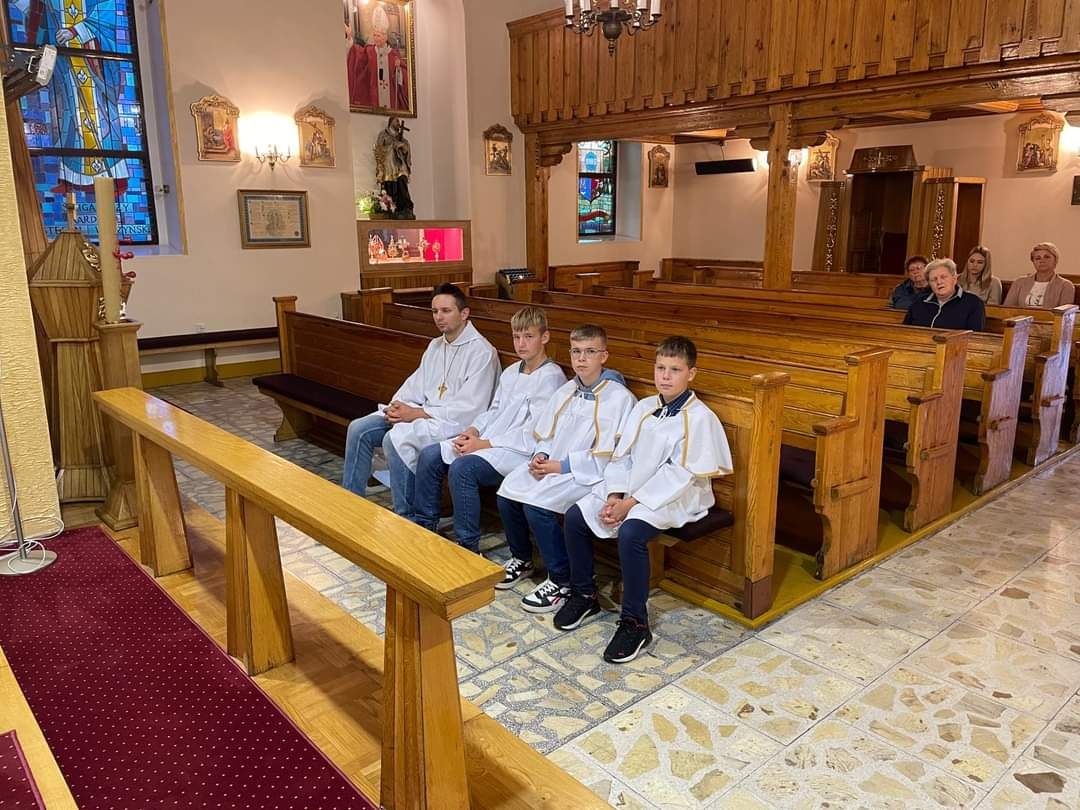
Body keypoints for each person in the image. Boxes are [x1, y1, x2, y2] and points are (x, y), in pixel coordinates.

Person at [554, 337, 733, 664]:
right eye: (660, 368)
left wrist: (630, 503)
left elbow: (678, 474)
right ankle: (584, 593)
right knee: (577, 516)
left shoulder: (699, 417)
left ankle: (635, 622)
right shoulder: (645, 407)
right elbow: (622, 456)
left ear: (691, 373)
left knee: (632, 533)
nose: (665, 376)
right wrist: (614, 494)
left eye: (675, 370)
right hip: (631, 488)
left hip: (678, 495)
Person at [495, 325, 636, 614]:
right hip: (554, 466)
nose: (581, 359)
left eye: (590, 352)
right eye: (576, 352)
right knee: (507, 489)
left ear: (604, 356)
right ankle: (522, 559)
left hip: (590, 474)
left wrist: (560, 466)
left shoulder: (618, 397)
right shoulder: (566, 390)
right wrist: (541, 455)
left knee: (537, 505)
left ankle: (561, 581)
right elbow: (547, 433)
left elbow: (608, 455)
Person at [410, 307, 566, 554]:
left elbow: (535, 431)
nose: (521, 344)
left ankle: (467, 546)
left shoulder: (551, 377)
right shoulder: (511, 371)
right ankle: (425, 526)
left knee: (463, 469)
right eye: (516, 337)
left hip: (519, 450)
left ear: (544, 337)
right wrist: (473, 431)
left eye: (528, 336)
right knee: (430, 455)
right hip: (488, 440)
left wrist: (483, 444)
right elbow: (494, 410)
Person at [341, 283, 499, 518]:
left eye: (446, 311)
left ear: (464, 313)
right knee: (358, 429)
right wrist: (398, 407)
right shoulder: (436, 345)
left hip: (452, 424)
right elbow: (415, 384)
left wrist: (415, 414)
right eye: (435, 311)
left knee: (395, 439)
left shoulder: (482, 352)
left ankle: (406, 516)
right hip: (422, 413)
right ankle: (348, 505)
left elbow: (470, 409)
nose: (439, 317)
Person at [347, 4, 410, 112]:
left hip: (391, 96)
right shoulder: (369, 51)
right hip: (374, 95)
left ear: (385, 37)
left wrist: (399, 69)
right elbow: (356, 56)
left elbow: (404, 78)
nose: (376, 38)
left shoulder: (393, 54)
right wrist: (349, 38)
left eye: (379, 36)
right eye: (375, 35)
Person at [904, 258, 986, 330]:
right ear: (929, 284)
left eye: (943, 277)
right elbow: (905, 331)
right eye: (934, 279)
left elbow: (974, 337)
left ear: (954, 279)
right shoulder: (919, 302)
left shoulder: (974, 303)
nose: (939, 282)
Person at [1002, 242, 1075, 309]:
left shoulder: (1066, 286)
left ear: (1055, 260)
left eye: (1047, 257)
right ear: (1033, 262)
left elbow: (1063, 315)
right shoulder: (1019, 282)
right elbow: (1007, 309)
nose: (1042, 261)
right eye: (1038, 258)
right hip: (1020, 319)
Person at [374, 116, 414, 219]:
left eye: (399, 121)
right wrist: (393, 146)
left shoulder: (402, 138)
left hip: (400, 165)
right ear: (390, 122)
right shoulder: (383, 135)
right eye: (396, 121)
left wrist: (404, 147)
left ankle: (405, 208)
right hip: (389, 167)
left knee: (402, 182)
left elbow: (406, 150)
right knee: (391, 186)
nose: (398, 123)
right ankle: (392, 209)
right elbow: (379, 149)